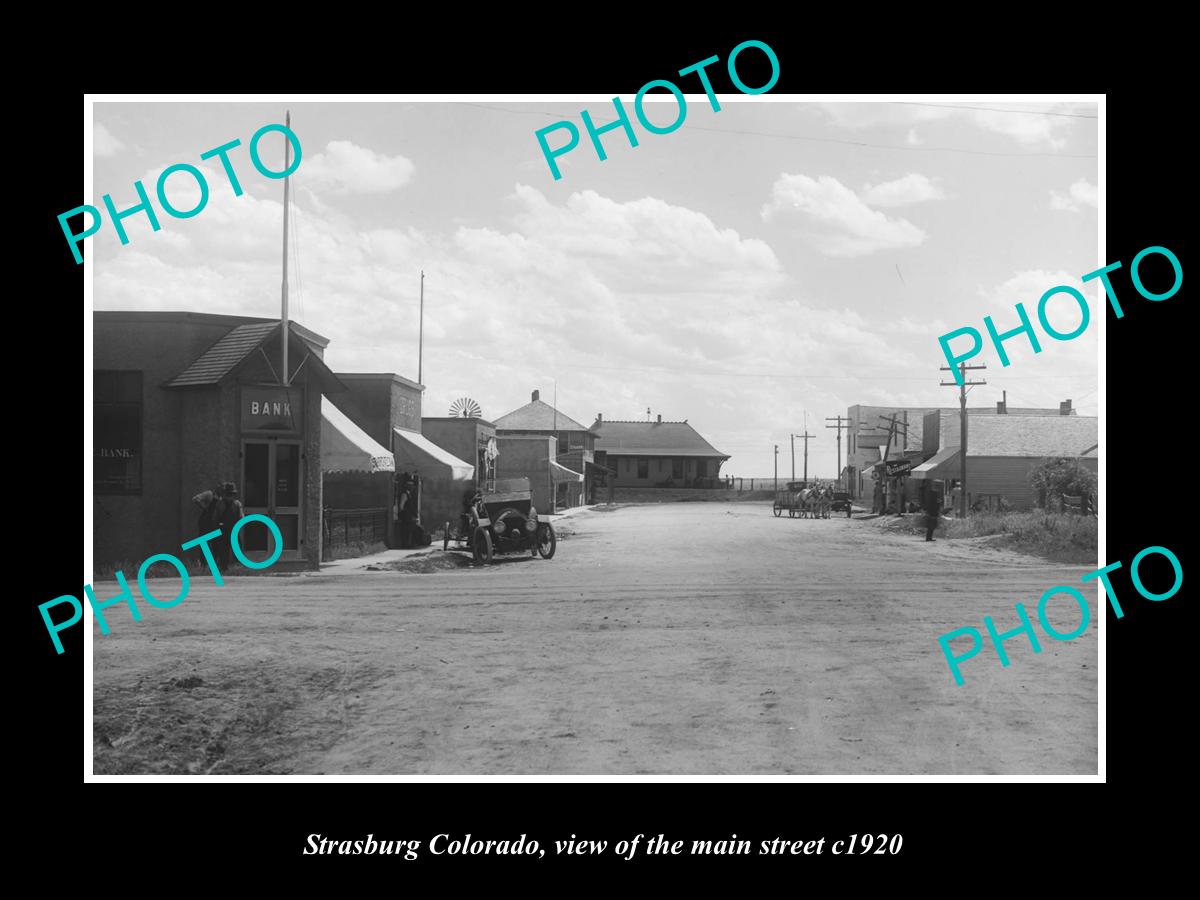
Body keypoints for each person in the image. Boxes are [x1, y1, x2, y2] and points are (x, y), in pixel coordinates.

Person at [212, 481, 245, 572]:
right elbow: (242, 518)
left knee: (224, 550)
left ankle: (224, 568)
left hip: (223, 529)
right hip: (233, 529)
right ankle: (236, 567)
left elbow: (215, 518)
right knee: (236, 549)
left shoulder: (220, 503)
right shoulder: (237, 504)